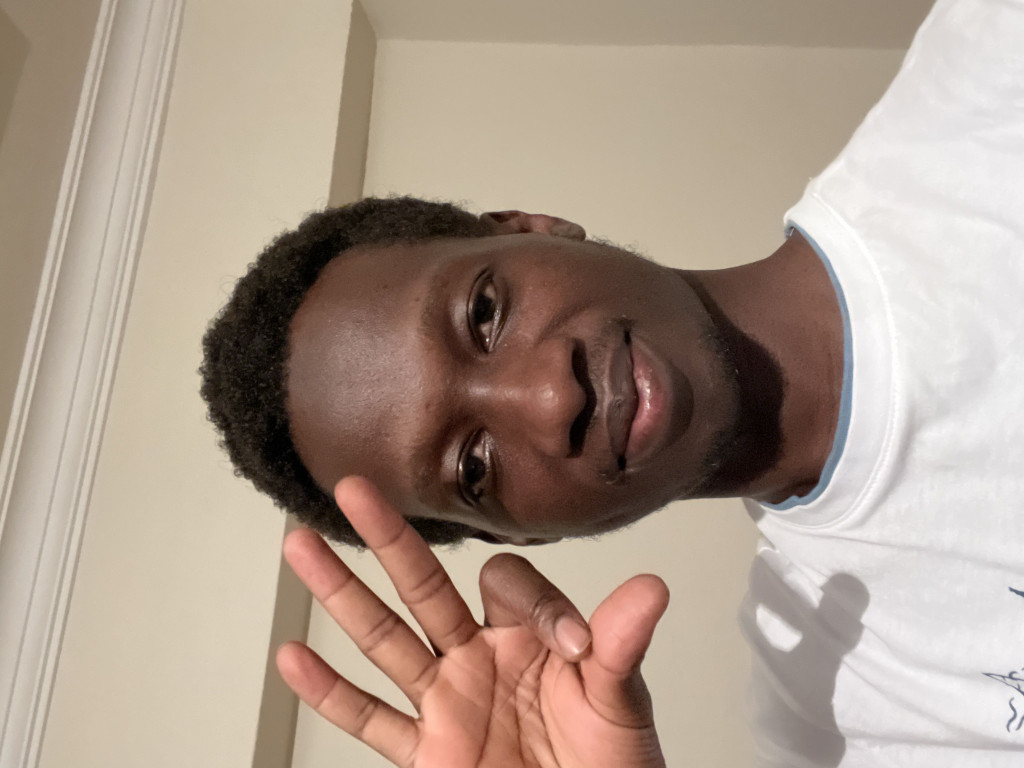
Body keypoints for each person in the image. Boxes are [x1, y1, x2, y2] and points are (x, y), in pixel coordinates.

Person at [199, 0, 1024, 764]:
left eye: (484, 313)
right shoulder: (841, 711)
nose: (552, 400)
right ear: (520, 539)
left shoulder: (990, 75)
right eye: (473, 467)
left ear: (532, 228)